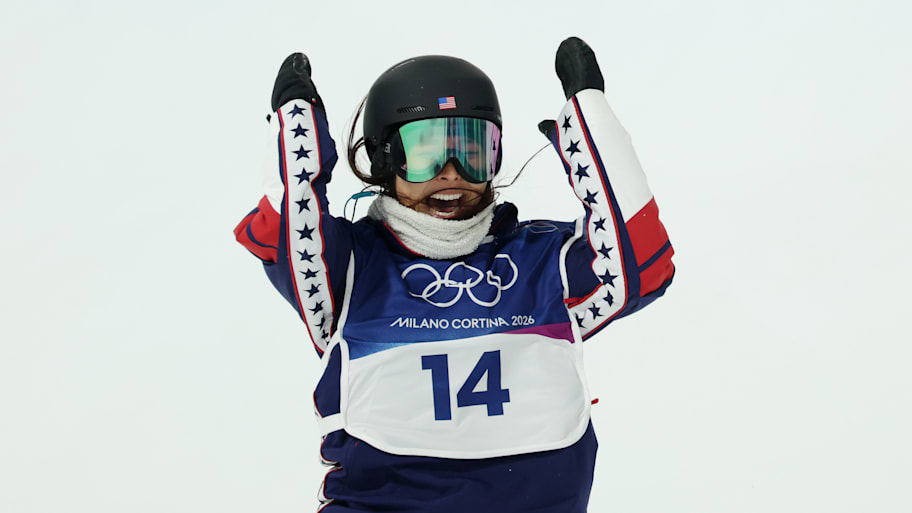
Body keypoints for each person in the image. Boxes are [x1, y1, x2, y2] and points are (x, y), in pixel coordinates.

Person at [234, 37, 675, 513]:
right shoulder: (349, 268)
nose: (451, 173)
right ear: (385, 160)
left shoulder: (542, 265)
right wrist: (295, 127)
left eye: (473, 150)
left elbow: (643, 262)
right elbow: (284, 229)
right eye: (425, 153)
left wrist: (594, 129)